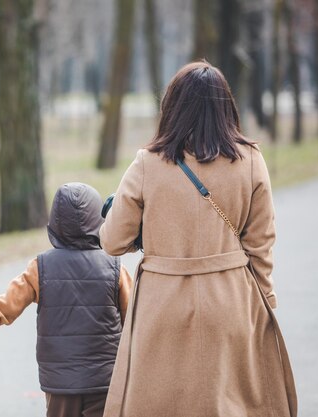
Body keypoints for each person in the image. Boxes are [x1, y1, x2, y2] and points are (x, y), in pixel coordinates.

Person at [98, 61, 297, 417]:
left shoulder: (148, 163)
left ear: (172, 106)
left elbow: (112, 241)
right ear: (226, 107)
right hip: (232, 300)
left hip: (162, 304)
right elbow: (261, 244)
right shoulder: (250, 159)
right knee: (230, 404)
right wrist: (265, 300)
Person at [0, 182, 133, 417]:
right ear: (99, 221)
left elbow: (1, 309)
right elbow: (135, 322)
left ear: (55, 223)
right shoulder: (115, 269)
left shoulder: (41, 268)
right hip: (105, 380)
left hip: (60, 384)